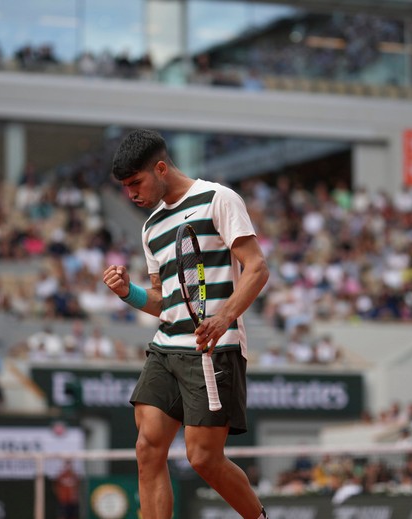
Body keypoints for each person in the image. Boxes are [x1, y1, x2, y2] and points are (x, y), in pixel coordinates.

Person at [102, 130, 269, 519]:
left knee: (203, 458)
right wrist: (130, 292)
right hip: (166, 348)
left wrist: (224, 315)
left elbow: (257, 268)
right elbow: (167, 302)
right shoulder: (150, 228)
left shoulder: (218, 199)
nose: (131, 195)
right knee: (147, 448)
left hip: (215, 347)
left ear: (160, 168)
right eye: (125, 187)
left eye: (135, 183)